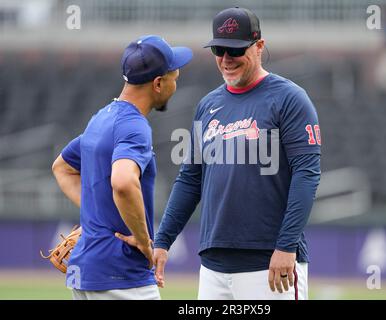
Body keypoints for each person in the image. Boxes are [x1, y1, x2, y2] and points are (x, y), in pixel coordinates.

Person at [153, 7, 321, 300]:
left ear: (259, 46)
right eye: (219, 50)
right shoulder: (208, 105)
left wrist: (286, 246)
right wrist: (163, 240)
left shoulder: (290, 99)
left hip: (269, 264)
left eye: (235, 50)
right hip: (213, 268)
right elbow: (190, 179)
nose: (226, 59)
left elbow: (307, 175)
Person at [51, 35, 192, 300]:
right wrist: (142, 239)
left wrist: (97, 215)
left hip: (88, 272)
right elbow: (124, 182)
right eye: (175, 75)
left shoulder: (101, 118)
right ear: (158, 83)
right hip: (121, 274)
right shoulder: (134, 126)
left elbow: (62, 167)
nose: (176, 81)